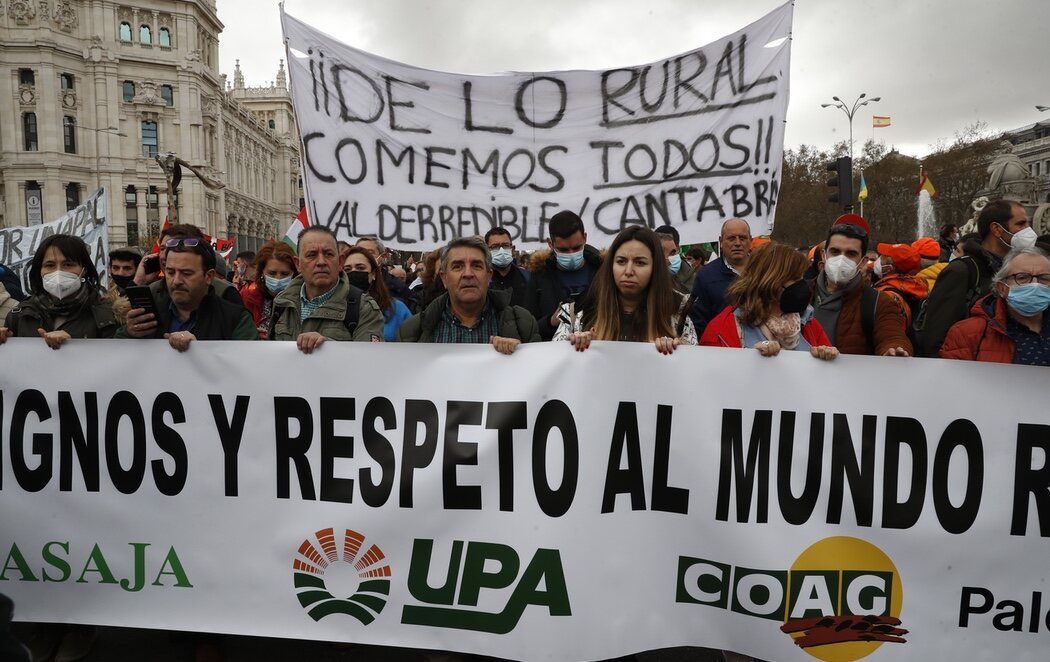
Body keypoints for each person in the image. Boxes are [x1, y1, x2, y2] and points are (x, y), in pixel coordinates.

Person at [917, 199, 1033, 357]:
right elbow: (936, 336)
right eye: (1021, 224)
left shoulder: (1020, 270)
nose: (1028, 230)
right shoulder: (962, 271)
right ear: (996, 230)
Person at [554, 226, 696, 354]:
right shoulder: (577, 312)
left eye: (640, 263)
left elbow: (692, 372)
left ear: (655, 268)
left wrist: (678, 352)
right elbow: (555, 368)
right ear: (611, 265)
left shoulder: (678, 312)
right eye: (621, 261)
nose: (628, 271)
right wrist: (573, 348)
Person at [397, 236, 539, 353]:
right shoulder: (411, 331)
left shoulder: (523, 323)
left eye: (476, 265)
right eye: (457, 266)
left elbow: (539, 379)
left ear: (489, 276)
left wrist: (521, 355)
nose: (468, 274)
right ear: (444, 278)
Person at [701, 242, 838, 360]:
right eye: (795, 278)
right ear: (770, 281)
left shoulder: (808, 323)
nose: (802, 284)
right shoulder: (722, 329)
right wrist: (750, 360)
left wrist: (826, 357)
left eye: (802, 278)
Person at [120, 237, 257, 349]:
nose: (176, 281)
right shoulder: (148, 316)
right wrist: (129, 333)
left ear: (209, 276)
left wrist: (199, 352)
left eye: (186, 273)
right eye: (170, 272)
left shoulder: (237, 319)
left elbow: (247, 369)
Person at [270, 226, 385, 352]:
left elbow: (369, 360)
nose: (321, 262)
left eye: (328, 254)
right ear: (298, 264)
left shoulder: (364, 308)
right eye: (311, 255)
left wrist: (327, 348)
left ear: (340, 262)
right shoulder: (282, 303)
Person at [0, 234, 117, 348]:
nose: (58, 272)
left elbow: (118, 360)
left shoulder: (109, 313)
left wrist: (75, 346)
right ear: (40, 270)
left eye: (68, 264)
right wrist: (7, 341)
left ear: (84, 270)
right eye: (50, 265)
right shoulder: (19, 315)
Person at [812, 223, 912, 356]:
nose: (841, 259)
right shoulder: (799, 293)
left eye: (851, 254)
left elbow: (892, 335)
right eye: (835, 252)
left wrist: (893, 350)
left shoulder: (879, 303)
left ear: (863, 261)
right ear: (824, 255)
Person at [940, 247, 1050, 364]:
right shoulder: (967, 334)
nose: (1035, 285)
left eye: (1045, 278)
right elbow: (952, 380)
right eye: (1022, 277)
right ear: (1002, 288)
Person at [524, 210, 603, 340]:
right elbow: (527, 328)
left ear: (585, 238)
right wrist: (551, 321)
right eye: (564, 250)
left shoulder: (602, 272)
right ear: (550, 243)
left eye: (577, 247)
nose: (571, 254)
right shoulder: (539, 276)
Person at [133, 223, 243, 306]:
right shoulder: (152, 291)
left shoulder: (225, 292)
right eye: (162, 248)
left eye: (175, 248)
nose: (166, 255)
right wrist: (137, 283)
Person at [688, 217, 752, 336]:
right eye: (731, 238)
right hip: (722, 349)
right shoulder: (705, 276)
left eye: (742, 238)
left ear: (750, 241)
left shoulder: (766, 271)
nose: (737, 243)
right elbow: (699, 323)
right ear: (721, 242)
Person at [343, 246, 412, 341]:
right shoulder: (331, 305)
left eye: (360, 268)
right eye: (347, 269)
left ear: (374, 274)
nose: (354, 272)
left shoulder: (397, 309)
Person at [241, 240, 297, 338]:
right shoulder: (247, 298)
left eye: (284, 274)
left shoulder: (302, 301)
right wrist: (251, 334)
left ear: (293, 274)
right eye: (272, 273)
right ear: (262, 272)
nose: (278, 279)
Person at [872, 242, 929, 330]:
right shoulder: (913, 286)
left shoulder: (887, 296)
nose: (878, 260)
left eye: (883, 257)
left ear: (890, 268)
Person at [355, 235, 413, 308]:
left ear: (383, 256)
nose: (364, 256)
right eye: (359, 252)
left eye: (370, 252)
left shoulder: (399, 289)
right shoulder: (346, 284)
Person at [485, 227, 530, 307]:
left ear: (512, 250)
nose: (501, 251)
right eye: (495, 247)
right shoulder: (482, 281)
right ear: (487, 251)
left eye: (505, 246)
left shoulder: (528, 278)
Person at [654, 224, 696, 295]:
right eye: (661, 251)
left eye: (673, 252)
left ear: (678, 248)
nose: (667, 257)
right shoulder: (646, 278)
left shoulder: (694, 279)